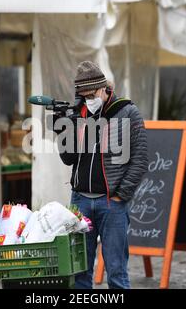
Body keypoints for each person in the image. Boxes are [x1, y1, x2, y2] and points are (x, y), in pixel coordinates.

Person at [54, 61, 148, 289]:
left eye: (92, 94)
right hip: (80, 201)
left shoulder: (127, 111)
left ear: (104, 88)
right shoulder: (79, 113)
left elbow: (141, 158)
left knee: (116, 270)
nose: (89, 99)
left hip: (111, 202)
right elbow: (69, 159)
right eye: (84, 95)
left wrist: (121, 195)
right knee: (80, 270)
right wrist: (63, 131)